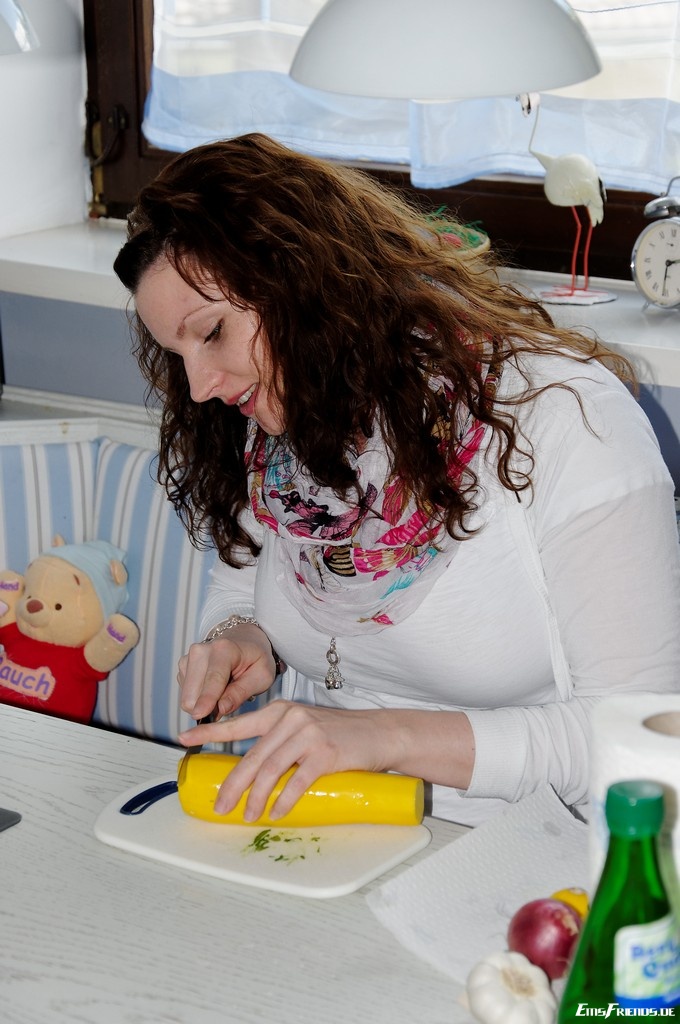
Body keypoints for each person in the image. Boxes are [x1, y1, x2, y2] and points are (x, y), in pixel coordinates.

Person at [113, 132, 680, 828]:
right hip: (332, 824)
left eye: (211, 333)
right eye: (177, 354)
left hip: (530, 845)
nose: (200, 385)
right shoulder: (283, 413)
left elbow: (642, 740)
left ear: (302, 280)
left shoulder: (568, 419)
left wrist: (386, 738)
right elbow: (243, 580)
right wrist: (241, 636)